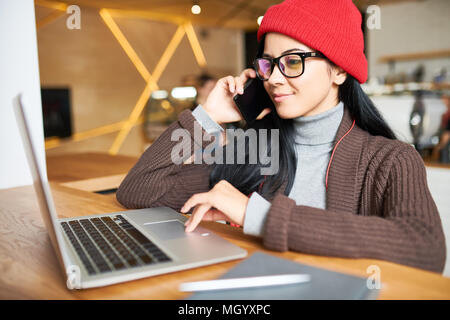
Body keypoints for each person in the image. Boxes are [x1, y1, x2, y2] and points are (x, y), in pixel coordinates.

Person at [117, 0, 446, 273]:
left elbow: (425, 247)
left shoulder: (389, 159)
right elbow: (139, 189)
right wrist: (208, 116)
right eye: (269, 64)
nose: (273, 78)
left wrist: (255, 215)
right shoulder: (253, 150)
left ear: (340, 69)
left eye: (293, 61)